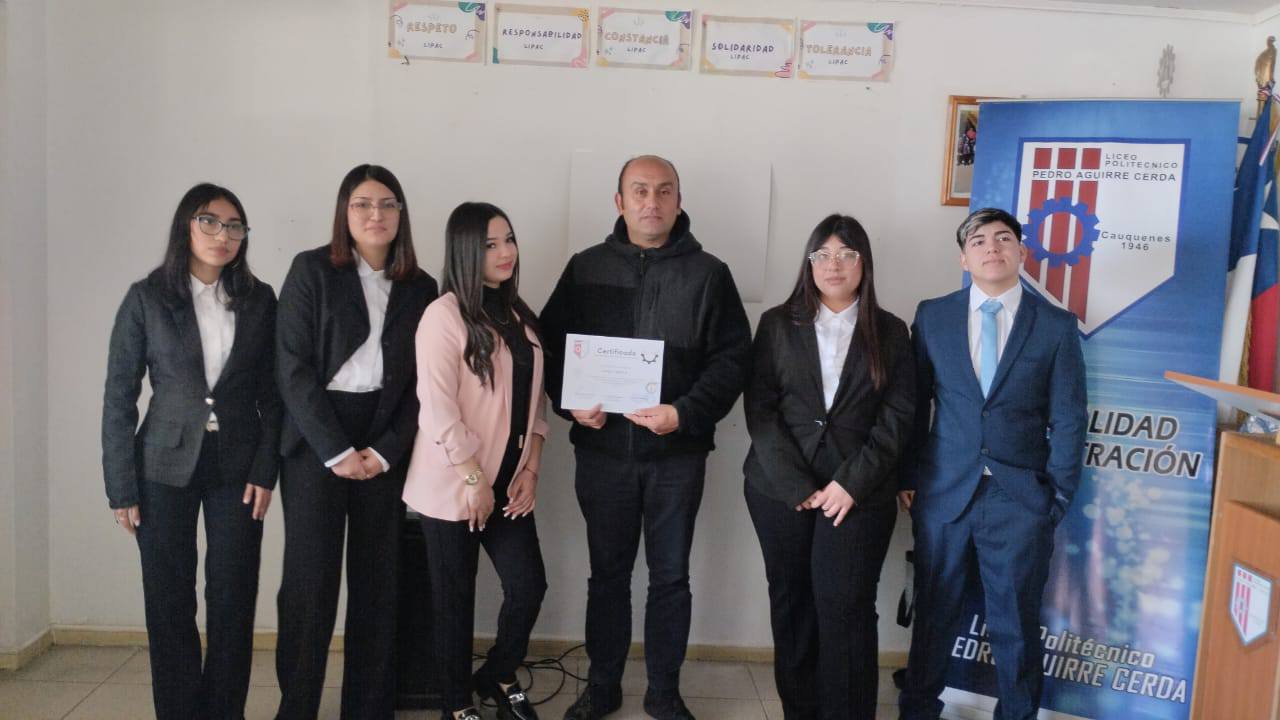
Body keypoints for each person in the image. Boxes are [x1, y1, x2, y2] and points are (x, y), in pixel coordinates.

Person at [541, 155, 752, 720]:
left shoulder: (710, 274)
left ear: (679, 201)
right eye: (639, 191)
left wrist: (684, 413)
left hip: (676, 456)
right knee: (606, 577)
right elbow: (547, 349)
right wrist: (569, 405)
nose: (651, 202)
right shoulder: (585, 268)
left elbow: (732, 361)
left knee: (671, 578)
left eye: (663, 191)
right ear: (620, 201)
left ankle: (663, 691)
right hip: (602, 453)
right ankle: (602, 685)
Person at [898, 208, 1087, 720]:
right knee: (933, 615)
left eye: (1003, 238)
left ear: (1021, 252)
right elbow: (914, 405)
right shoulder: (933, 316)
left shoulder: (1054, 325)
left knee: (1016, 624)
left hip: (1019, 498)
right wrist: (909, 477)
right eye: (978, 240)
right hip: (944, 493)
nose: (991, 247)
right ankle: (917, 712)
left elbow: (1070, 418)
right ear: (964, 258)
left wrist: (1057, 497)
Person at [102, 182, 280, 719]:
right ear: (187, 225)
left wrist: (266, 469)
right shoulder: (147, 297)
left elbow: (275, 394)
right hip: (160, 466)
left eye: (234, 226)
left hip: (238, 466)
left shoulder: (260, 299)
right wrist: (121, 487)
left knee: (232, 597)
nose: (223, 235)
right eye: (210, 222)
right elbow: (119, 396)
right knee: (168, 598)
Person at [274, 164, 438, 719]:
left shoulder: (421, 286)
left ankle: (368, 709)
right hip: (317, 438)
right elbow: (291, 368)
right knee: (310, 583)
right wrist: (337, 451)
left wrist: (387, 449)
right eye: (363, 204)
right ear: (344, 212)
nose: (375, 214)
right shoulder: (311, 270)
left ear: (401, 214)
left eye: (388, 204)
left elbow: (424, 384)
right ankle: (297, 708)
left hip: (385, 437)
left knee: (378, 583)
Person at [743, 214, 915, 720]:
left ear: (864, 263)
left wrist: (850, 484)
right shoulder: (777, 323)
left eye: (846, 254)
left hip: (859, 493)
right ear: (809, 263)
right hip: (780, 490)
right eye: (822, 254)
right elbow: (760, 409)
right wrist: (795, 483)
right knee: (792, 605)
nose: (833, 265)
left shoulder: (891, 330)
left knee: (847, 609)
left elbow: (898, 417)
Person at [403, 202, 548, 720]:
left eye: (509, 239)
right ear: (466, 250)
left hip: (507, 485)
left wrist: (530, 467)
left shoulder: (519, 315)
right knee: (454, 602)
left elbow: (535, 403)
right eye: (490, 244)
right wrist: (473, 478)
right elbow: (437, 408)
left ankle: (498, 675)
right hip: (454, 488)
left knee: (528, 586)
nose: (506, 252)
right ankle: (457, 705)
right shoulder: (442, 316)